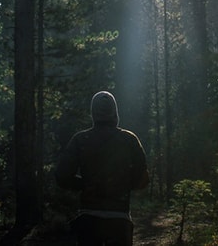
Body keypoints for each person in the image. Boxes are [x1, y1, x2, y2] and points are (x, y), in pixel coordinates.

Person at [55, 91, 149, 246]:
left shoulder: (80, 139)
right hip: (120, 219)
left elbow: (62, 176)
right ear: (115, 113)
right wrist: (122, 186)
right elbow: (144, 180)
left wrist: (84, 185)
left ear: (93, 113)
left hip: (89, 219)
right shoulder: (129, 139)